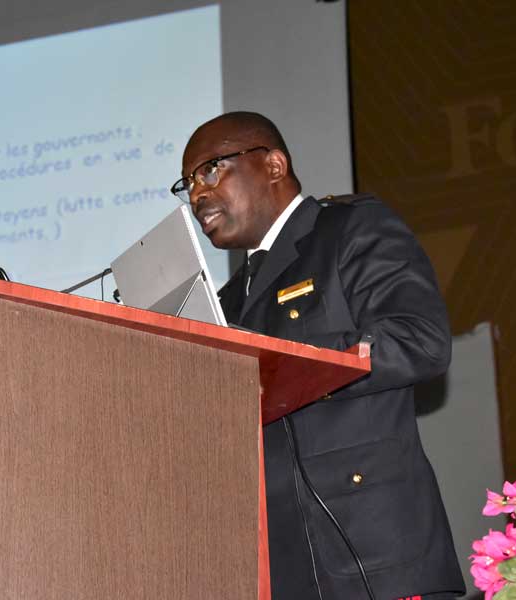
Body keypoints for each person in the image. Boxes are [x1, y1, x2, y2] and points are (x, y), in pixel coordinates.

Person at [172, 112, 465, 600]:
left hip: (373, 551)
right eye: (188, 184)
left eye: (210, 170)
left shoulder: (349, 228)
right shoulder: (223, 302)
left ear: (273, 165)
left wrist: (291, 364)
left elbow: (420, 340)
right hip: (277, 566)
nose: (198, 193)